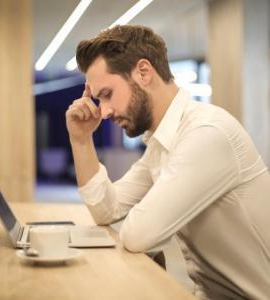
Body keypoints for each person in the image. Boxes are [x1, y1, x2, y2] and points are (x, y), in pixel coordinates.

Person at [65, 25, 270, 300]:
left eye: (107, 94)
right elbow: (106, 209)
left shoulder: (207, 133)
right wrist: (80, 140)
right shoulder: (161, 145)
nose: (104, 111)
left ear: (143, 72)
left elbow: (139, 235)